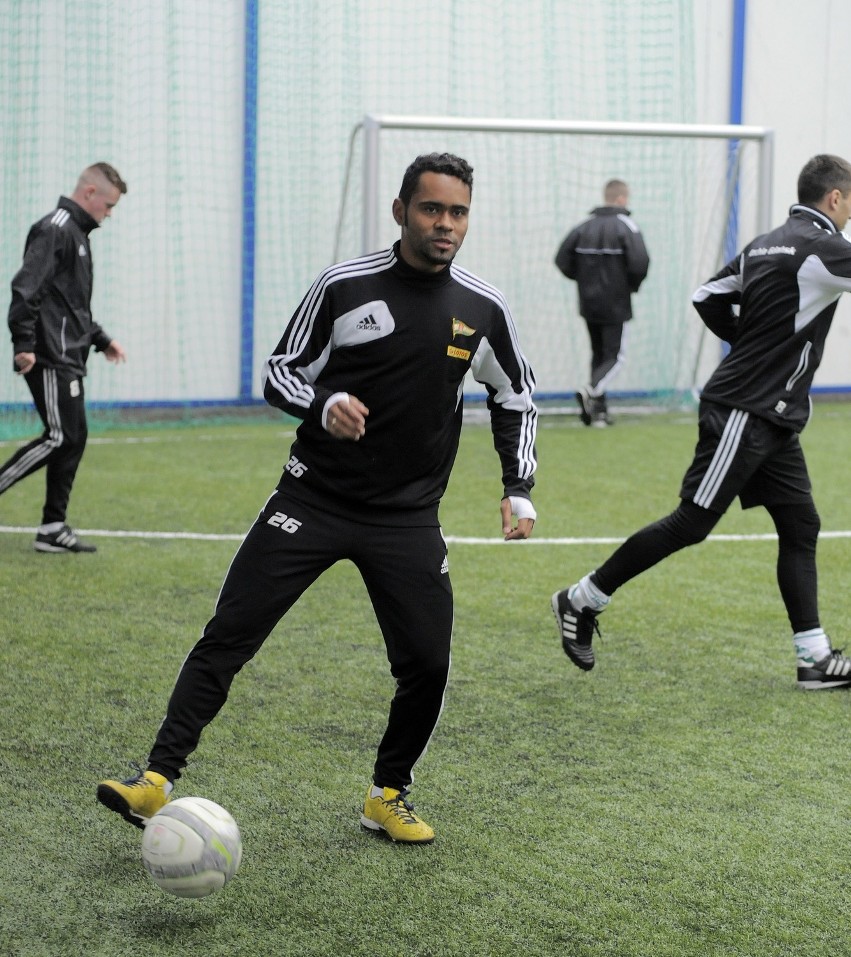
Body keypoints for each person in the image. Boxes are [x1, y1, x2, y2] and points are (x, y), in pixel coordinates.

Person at [98, 153, 538, 843]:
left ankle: (387, 794)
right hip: (312, 499)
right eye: (431, 209)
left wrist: (519, 488)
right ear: (401, 211)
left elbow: (516, 394)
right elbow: (280, 371)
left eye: (457, 212)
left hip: (407, 518)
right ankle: (155, 778)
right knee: (229, 634)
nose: (445, 224)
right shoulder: (344, 286)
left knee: (427, 663)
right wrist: (324, 401)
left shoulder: (482, 308)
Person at [552, 153, 851, 691]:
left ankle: (813, 658)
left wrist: (748, 341)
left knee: (801, 525)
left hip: (770, 414)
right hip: (746, 410)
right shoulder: (826, 246)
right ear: (834, 198)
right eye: (850, 201)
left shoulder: (766, 243)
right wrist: (760, 351)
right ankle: (581, 598)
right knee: (691, 523)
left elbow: (706, 296)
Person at [1, 162, 128, 553]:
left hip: (69, 354)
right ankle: (50, 524)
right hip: (47, 355)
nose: (108, 216)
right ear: (89, 193)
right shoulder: (55, 228)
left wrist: (101, 339)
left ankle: (52, 527)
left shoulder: (78, 235)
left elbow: (72, 306)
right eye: (107, 206)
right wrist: (23, 343)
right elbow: (26, 288)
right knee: (61, 436)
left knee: (74, 438)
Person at [554, 179, 649, 427]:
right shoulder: (627, 226)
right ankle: (592, 390)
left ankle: (599, 413)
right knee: (615, 357)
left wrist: (583, 281)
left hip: (589, 303)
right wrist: (630, 286)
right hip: (615, 303)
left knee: (599, 355)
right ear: (621, 199)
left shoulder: (583, 227)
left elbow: (561, 259)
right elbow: (640, 263)